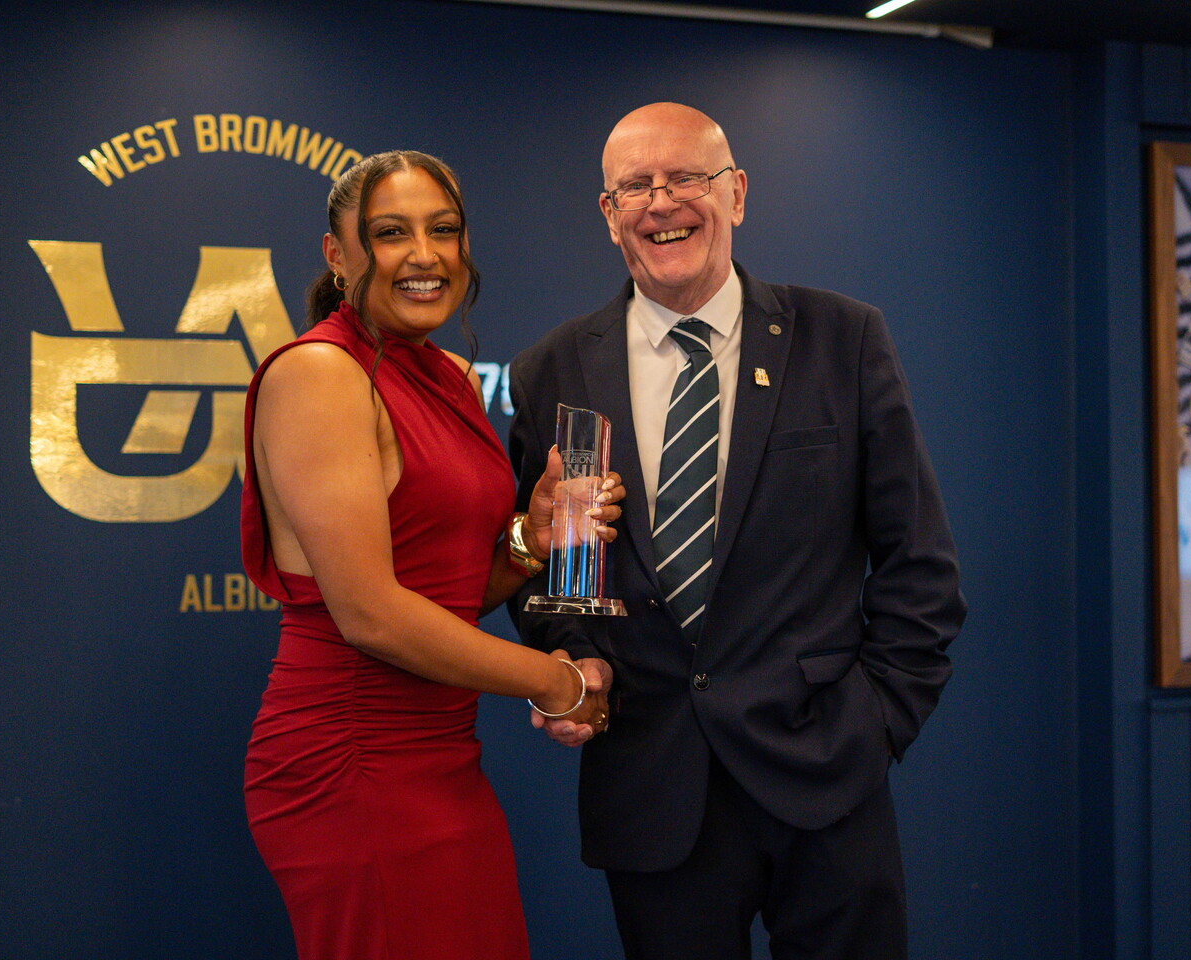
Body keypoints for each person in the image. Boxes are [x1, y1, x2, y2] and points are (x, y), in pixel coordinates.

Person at [508, 103, 967, 960]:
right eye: (633, 187)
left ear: (738, 194)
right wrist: (569, 660)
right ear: (608, 217)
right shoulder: (552, 369)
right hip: (650, 785)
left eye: (685, 177)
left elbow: (921, 566)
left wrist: (874, 728)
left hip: (826, 778)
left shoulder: (842, 339)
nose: (660, 202)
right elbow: (544, 570)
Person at [240, 149, 621, 960]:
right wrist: (557, 681)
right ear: (338, 257)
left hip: (441, 760)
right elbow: (371, 615)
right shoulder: (319, 374)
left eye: (443, 230)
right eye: (390, 233)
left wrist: (527, 542)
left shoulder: (447, 372)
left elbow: (438, 590)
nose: (425, 255)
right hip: (348, 762)